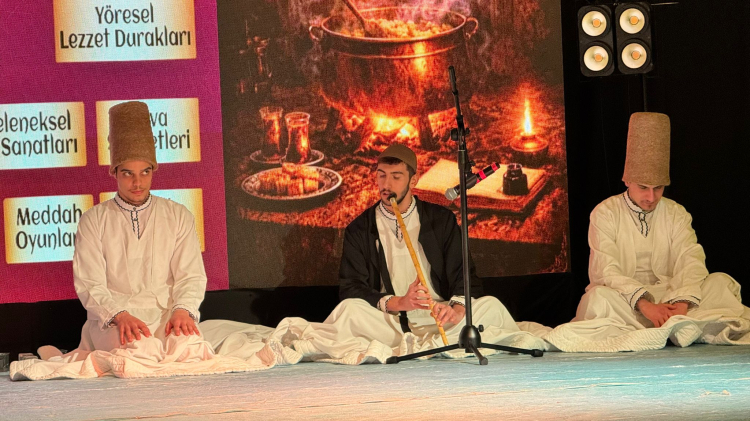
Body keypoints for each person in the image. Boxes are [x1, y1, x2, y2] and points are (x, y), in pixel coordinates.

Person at [288, 144, 542, 362]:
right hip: (391, 321)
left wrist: (456, 309)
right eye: (381, 176)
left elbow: (465, 277)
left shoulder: (441, 220)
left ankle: (447, 335)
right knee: (348, 311)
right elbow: (351, 288)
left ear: (413, 180)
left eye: (396, 177)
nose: (386, 185)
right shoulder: (360, 228)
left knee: (491, 306)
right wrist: (399, 302)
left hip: (441, 317)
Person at [571, 112, 750, 347]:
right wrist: (646, 306)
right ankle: (679, 327)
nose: (651, 197)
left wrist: (681, 303)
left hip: (672, 297)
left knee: (720, 282)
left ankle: (674, 322)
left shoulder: (676, 212)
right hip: (627, 303)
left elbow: (691, 259)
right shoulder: (605, 212)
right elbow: (605, 269)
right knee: (598, 298)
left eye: (658, 188)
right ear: (627, 181)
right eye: (643, 187)